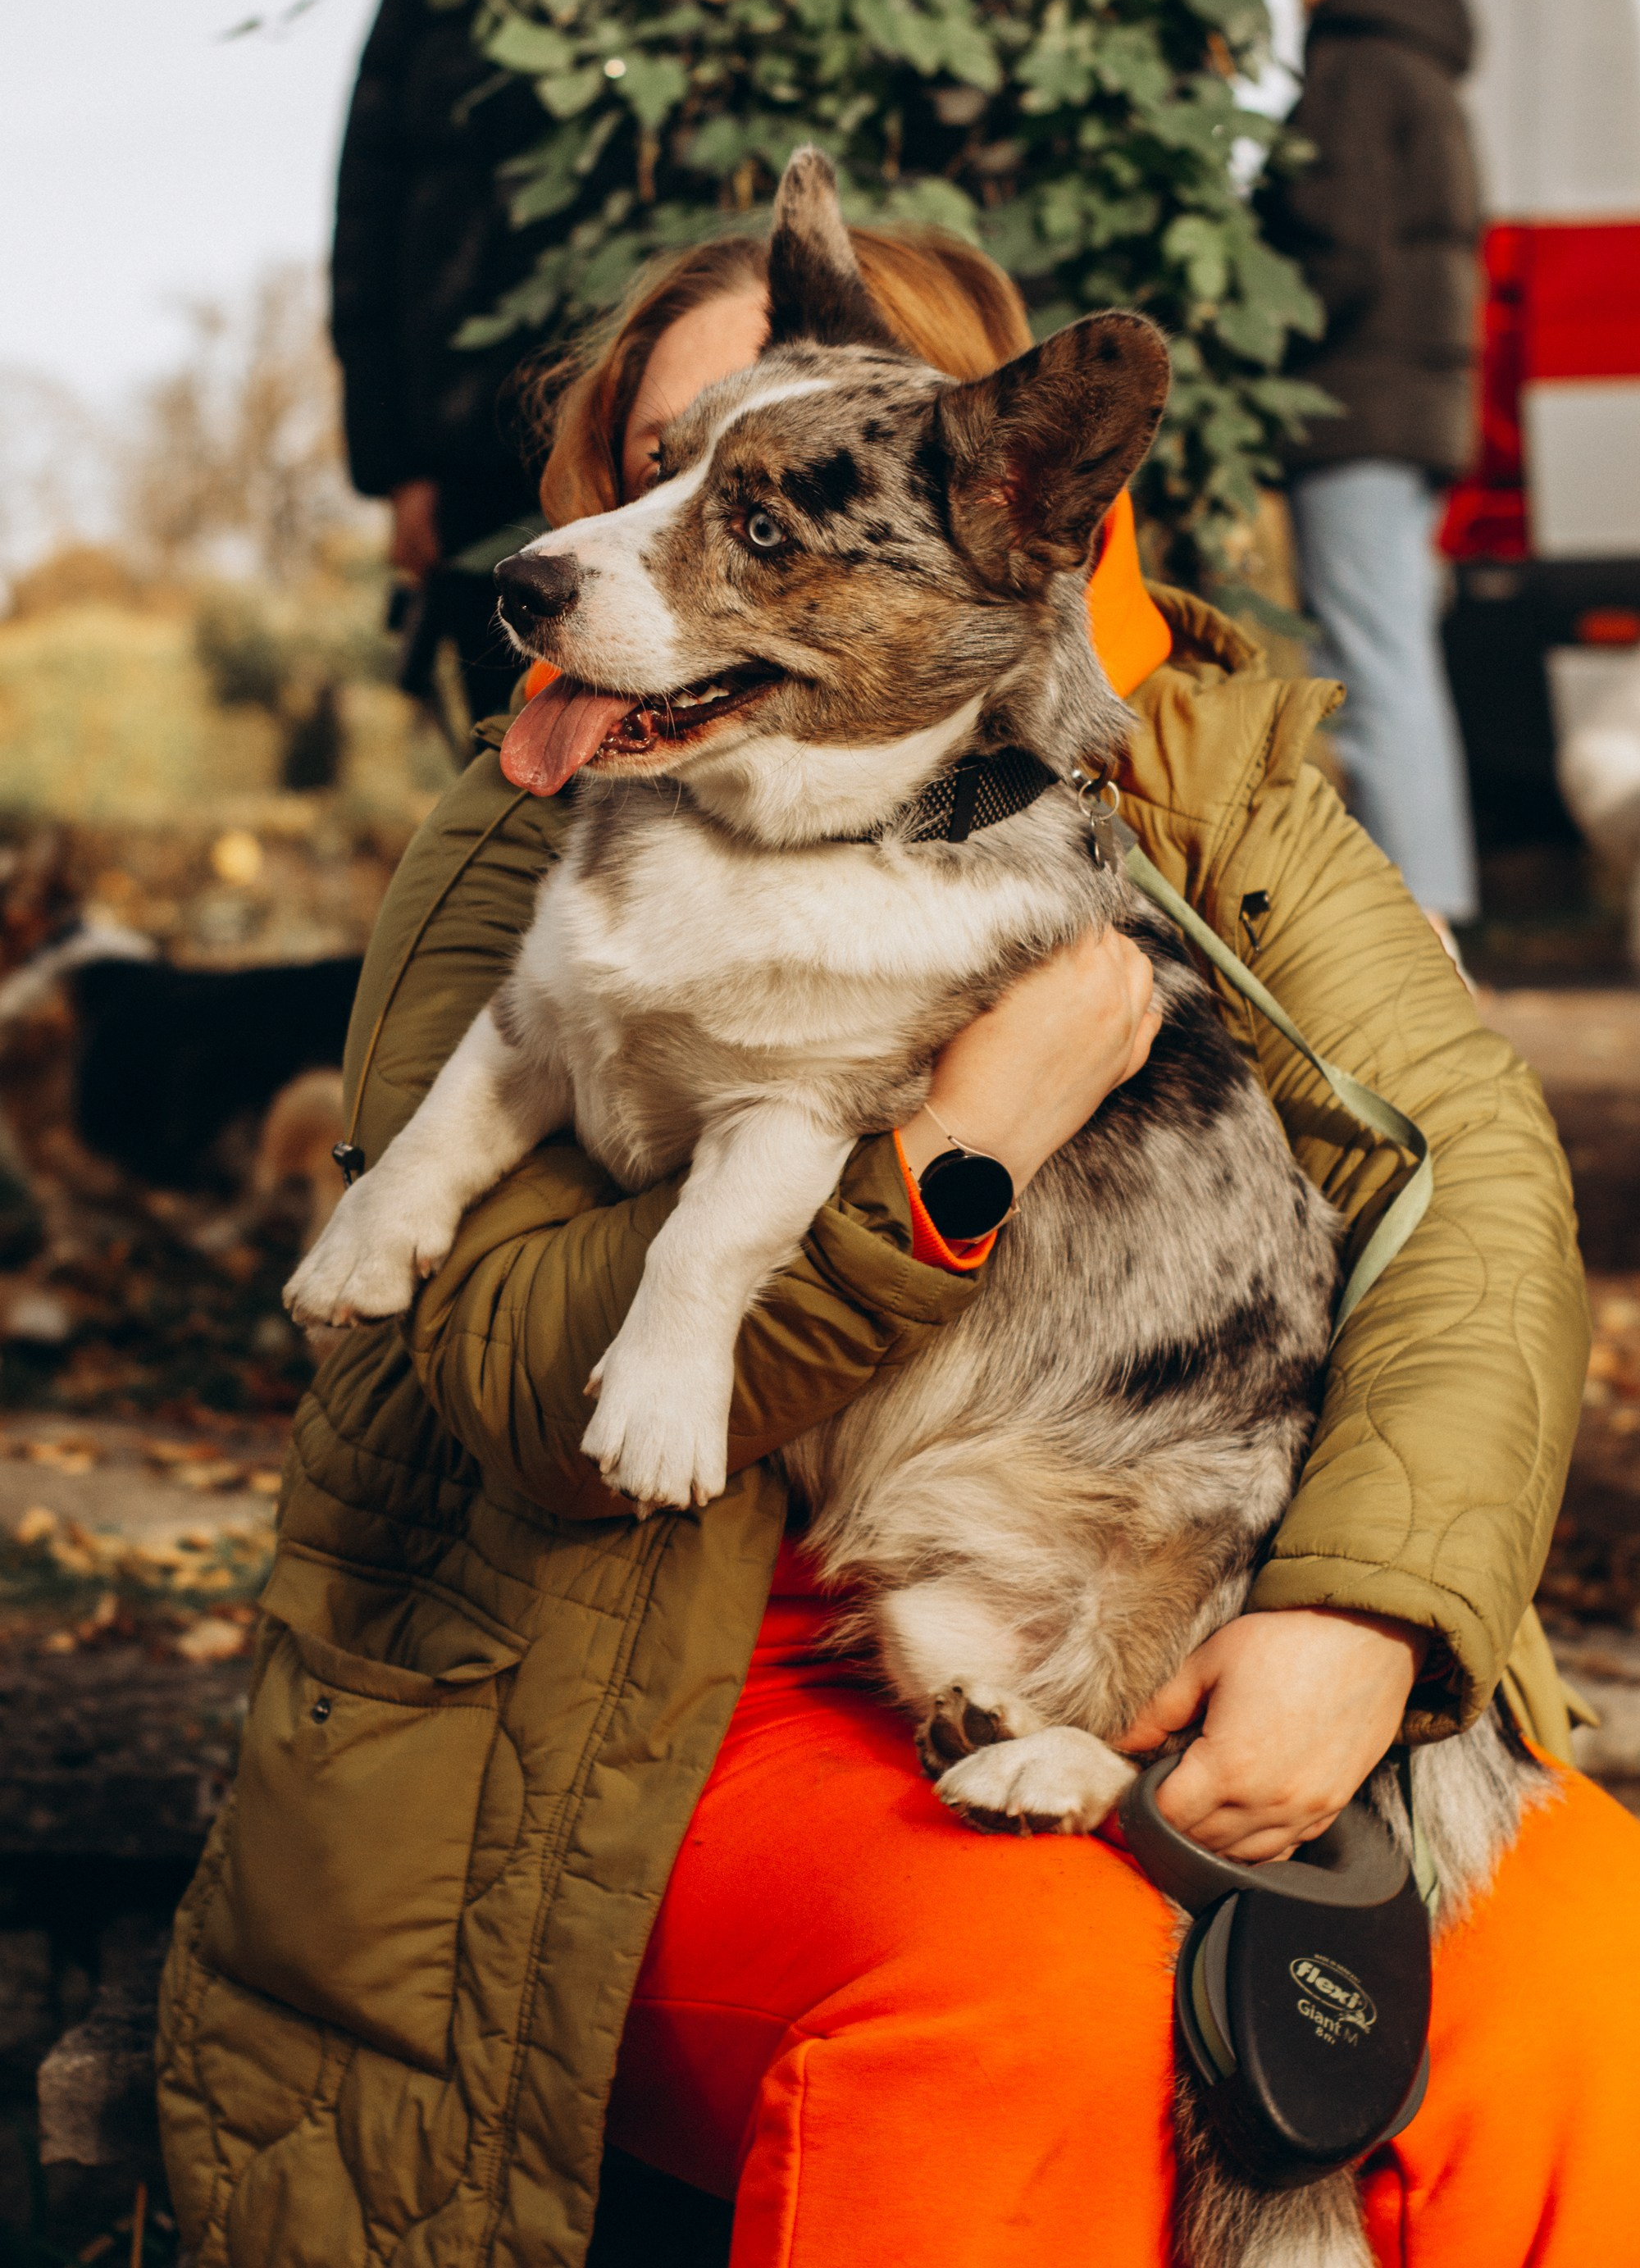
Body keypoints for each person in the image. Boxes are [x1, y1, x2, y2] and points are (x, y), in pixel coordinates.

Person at [157, 225, 1639, 2268]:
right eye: (659, 464)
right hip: (636, 1670)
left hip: (1140, 1580)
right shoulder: (524, 820)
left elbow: (1474, 1193)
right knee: (1031, 2009)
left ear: (1001, 506)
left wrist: (1366, 1613)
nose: (647, 533)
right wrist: (945, 1160)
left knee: (1581, 1986)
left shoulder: (1213, 783)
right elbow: (491, 1367)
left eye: (765, 494)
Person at [1258, 0, 1483, 946]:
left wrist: (1257, 339)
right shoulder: (1421, 63)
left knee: (1371, 663)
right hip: (1414, 401)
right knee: (1395, 651)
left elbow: (1335, 249)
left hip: (1357, 399)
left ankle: (1422, 923)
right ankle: (1434, 907)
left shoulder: (1353, 65)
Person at [330, 0, 549, 725]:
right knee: (509, 764)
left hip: (671, 436)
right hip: (473, 452)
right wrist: (398, 465)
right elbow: (371, 189)